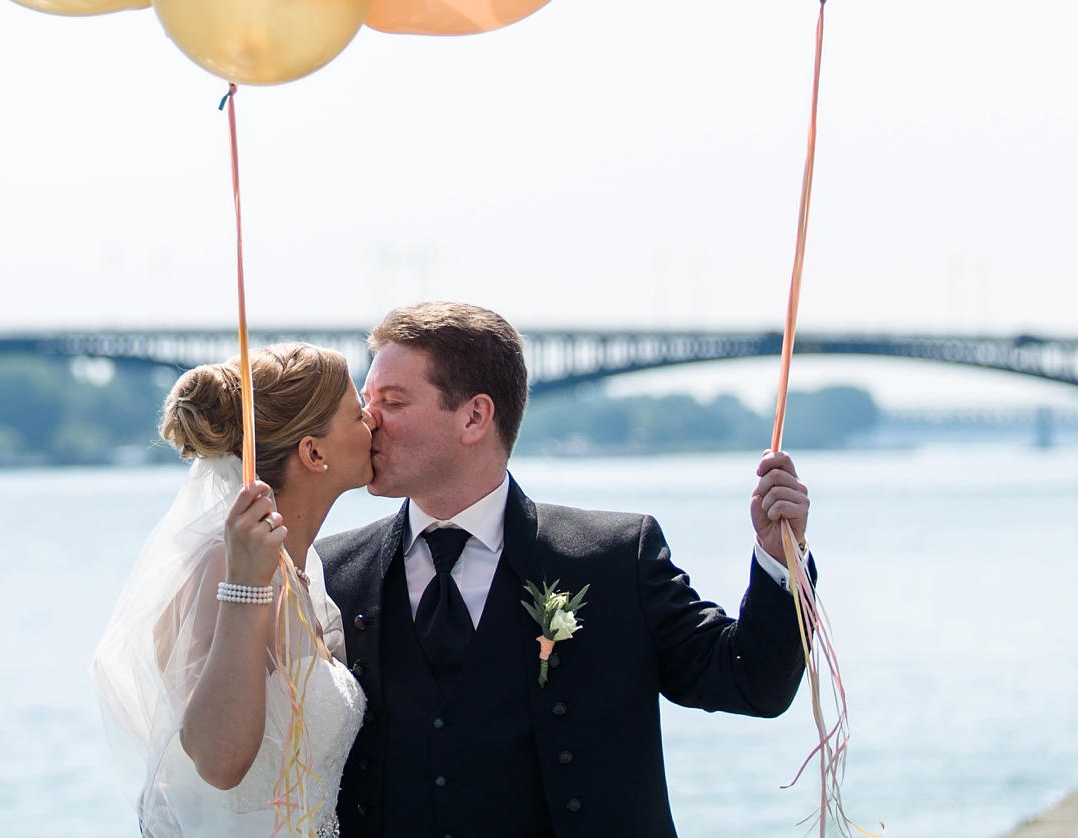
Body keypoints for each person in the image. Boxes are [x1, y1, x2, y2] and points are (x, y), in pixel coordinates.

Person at [318, 302, 813, 838]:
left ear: (474, 417)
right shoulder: (331, 572)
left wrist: (778, 559)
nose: (369, 420)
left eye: (391, 401)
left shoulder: (616, 558)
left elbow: (753, 682)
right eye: (367, 402)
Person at [94, 342, 377, 837]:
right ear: (313, 452)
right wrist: (246, 586)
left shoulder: (302, 569)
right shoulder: (225, 565)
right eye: (357, 415)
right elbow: (217, 762)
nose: (373, 422)